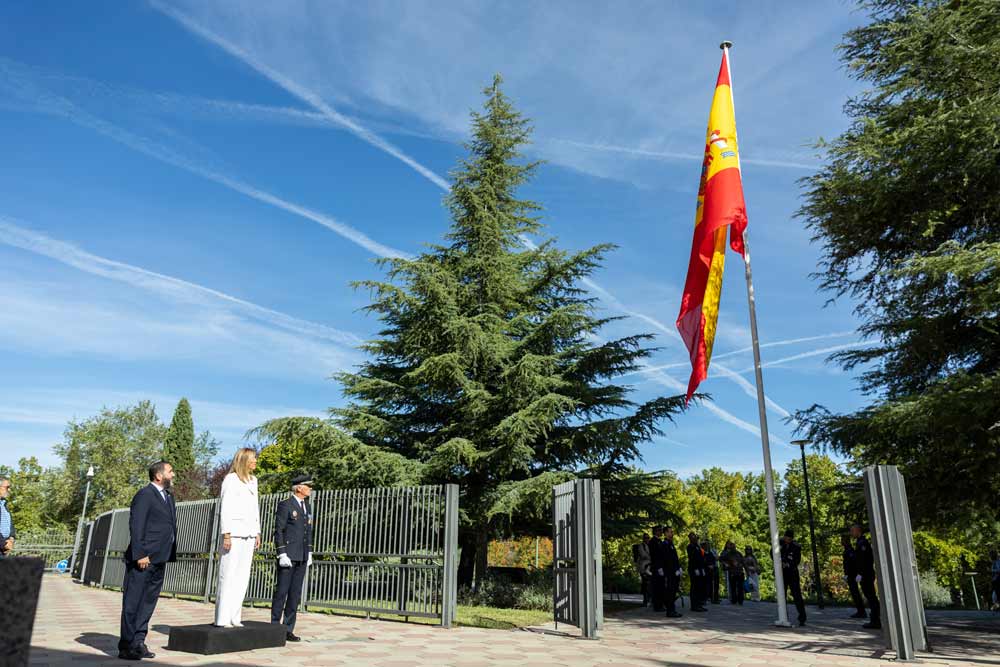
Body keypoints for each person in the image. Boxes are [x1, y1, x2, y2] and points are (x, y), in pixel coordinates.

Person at [118, 461, 177, 661]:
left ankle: (138, 642)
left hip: (160, 558)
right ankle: (126, 646)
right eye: (170, 471)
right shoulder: (144, 495)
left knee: (148, 603)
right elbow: (137, 525)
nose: (174, 474)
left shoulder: (168, 497)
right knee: (133, 603)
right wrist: (140, 553)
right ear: (159, 476)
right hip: (144, 558)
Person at [214, 448, 262, 628]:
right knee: (228, 575)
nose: (256, 461)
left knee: (243, 576)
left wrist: (257, 531)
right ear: (244, 460)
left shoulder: (253, 480)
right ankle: (222, 618)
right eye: (253, 459)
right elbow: (225, 507)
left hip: (249, 532)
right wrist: (226, 533)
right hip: (233, 533)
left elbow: (254, 507)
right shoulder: (231, 479)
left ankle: (235, 616)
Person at [271, 474, 314, 642]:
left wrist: (309, 552)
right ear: (299, 488)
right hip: (288, 555)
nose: (310, 489)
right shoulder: (286, 505)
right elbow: (279, 530)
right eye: (308, 486)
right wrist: (281, 552)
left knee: (294, 594)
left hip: (302, 555)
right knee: (281, 592)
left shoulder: (307, 507)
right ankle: (275, 627)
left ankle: (288, 628)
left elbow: (308, 531)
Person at [851, 523, 881, 629]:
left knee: (871, 596)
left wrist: (860, 574)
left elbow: (864, 561)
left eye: (853, 531)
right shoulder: (859, 542)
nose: (851, 533)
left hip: (866, 575)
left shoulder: (863, 543)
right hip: (865, 574)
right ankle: (875, 618)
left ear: (858, 531)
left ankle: (876, 620)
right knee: (870, 596)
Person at [780, 529, 807, 626]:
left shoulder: (796, 547)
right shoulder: (779, 544)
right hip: (782, 573)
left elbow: (796, 560)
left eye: (789, 538)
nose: (787, 540)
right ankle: (783, 616)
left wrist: (787, 564)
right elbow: (773, 553)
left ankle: (802, 617)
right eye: (786, 538)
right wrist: (780, 562)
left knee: (797, 595)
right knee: (782, 595)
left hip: (792, 573)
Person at [842, 533, 866, 618]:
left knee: (855, 593)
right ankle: (860, 611)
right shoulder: (847, 550)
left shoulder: (849, 550)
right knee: (854, 593)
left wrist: (849, 574)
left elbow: (851, 564)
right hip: (850, 575)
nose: (842, 542)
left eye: (843, 540)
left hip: (852, 575)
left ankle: (861, 611)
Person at [662, 526, 682, 618]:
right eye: (670, 532)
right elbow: (667, 560)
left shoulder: (670, 543)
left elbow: (675, 558)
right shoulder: (665, 544)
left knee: (673, 591)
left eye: (672, 532)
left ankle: (672, 610)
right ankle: (670, 611)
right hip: (670, 572)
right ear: (665, 533)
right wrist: (674, 570)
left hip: (674, 571)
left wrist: (679, 568)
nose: (672, 534)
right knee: (670, 591)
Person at [686, 532, 707, 612]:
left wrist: (702, 569)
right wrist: (696, 569)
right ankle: (694, 605)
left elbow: (701, 557)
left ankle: (699, 604)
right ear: (690, 539)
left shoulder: (697, 546)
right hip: (694, 569)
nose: (695, 539)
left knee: (700, 587)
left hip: (700, 569)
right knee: (694, 587)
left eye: (695, 537)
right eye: (693, 537)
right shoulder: (690, 547)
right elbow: (692, 558)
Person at [648, 528, 666, 611]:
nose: (661, 532)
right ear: (655, 532)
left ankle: (660, 604)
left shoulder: (660, 541)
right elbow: (654, 556)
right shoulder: (653, 541)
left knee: (661, 586)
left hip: (661, 566)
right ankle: (657, 606)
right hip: (656, 567)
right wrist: (658, 567)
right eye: (659, 530)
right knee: (656, 587)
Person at [632, 533, 652, 607]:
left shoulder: (650, 546)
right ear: (643, 539)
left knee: (650, 583)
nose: (647, 539)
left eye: (648, 538)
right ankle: (645, 600)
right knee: (645, 583)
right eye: (646, 538)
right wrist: (651, 556)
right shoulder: (641, 546)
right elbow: (643, 555)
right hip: (644, 567)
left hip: (651, 567)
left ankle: (649, 599)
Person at [723, 541, 745, 605]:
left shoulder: (739, 554)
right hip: (732, 573)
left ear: (735, 547)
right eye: (732, 547)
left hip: (740, 572)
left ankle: (740, 600)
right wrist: (726, 564)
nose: (733, 548)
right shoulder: (728, 554)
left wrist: (746, 570)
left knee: (740, 587)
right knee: (733, 587)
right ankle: (734, 600)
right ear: (730, 548)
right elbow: (721, 559)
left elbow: (744, 562)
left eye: (734, 547)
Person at [0, 476, 15, 558]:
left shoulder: (3, 504)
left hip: (4, 549)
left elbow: (11, 525)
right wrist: (4, 544)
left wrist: (11, 539)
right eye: (7, 487)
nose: (9, 490)